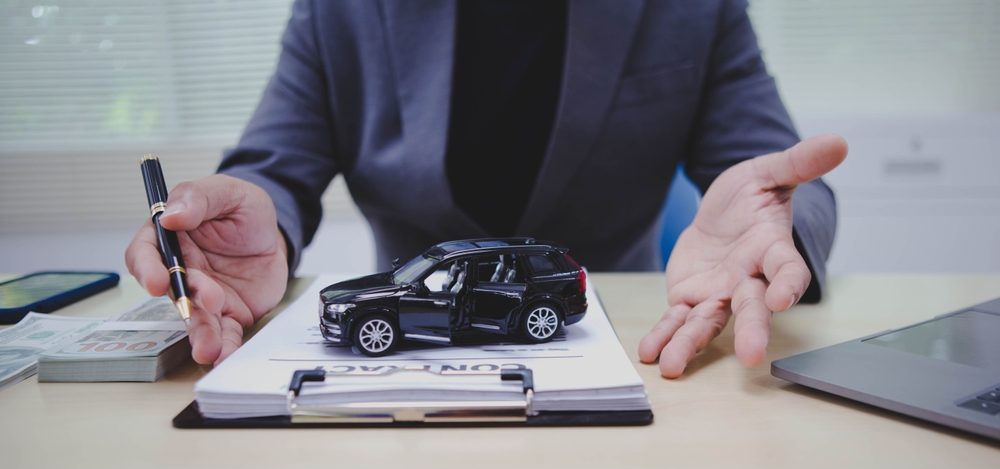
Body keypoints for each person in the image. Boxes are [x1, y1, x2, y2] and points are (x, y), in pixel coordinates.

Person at [125, 0, 848, 378]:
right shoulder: (341, 7)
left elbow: (778, 173)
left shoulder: (692, 7)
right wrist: (258, 224)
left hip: (632, 365)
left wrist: (773, 226)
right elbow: (274, 167)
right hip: (404, 413)